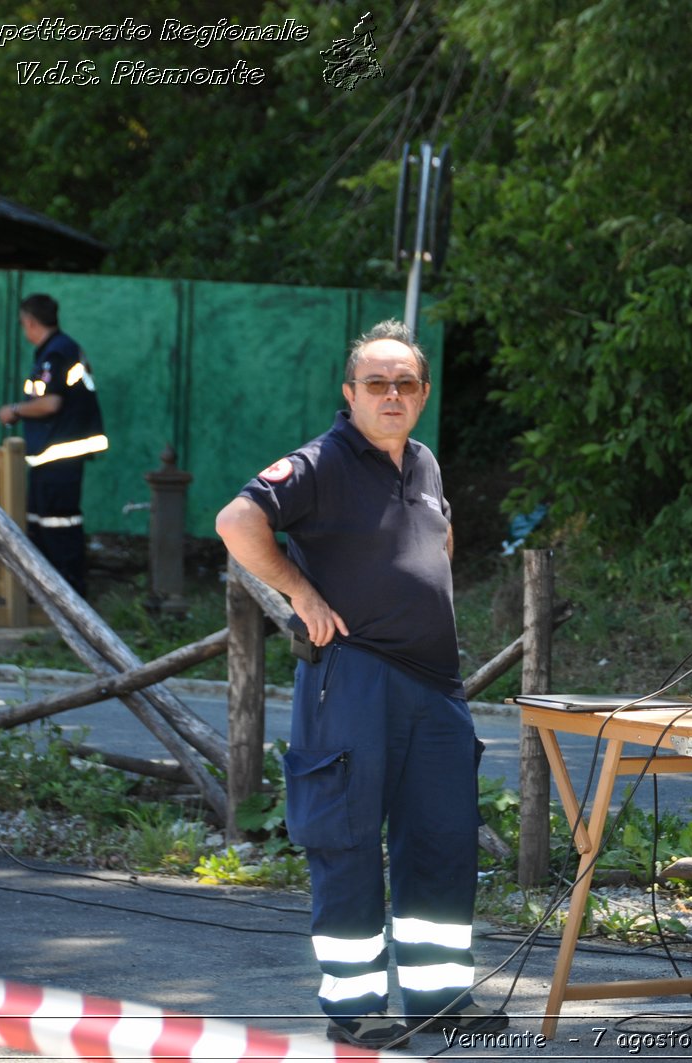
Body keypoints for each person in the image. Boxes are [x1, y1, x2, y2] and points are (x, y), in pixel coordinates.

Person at [214, 320, 506, 1049]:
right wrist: (300, 596)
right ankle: (355, 1006)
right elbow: (237, 519)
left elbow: (437, 538)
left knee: (442, 843)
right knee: (345, 844)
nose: (392, 394)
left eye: (405, 382)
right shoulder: (322, 462)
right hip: (354, 678)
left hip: (435, 686)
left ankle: (438, 998)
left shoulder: (426, 463)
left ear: (423, 393)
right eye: (376, 382)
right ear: (350, 394)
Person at [0, 294, 107, 597]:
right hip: (49, 457)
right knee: (41, 522)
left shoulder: (57, 353)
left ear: (30, 322)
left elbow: (51, 402)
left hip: (61, 456)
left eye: (23, 324)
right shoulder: (57, 350)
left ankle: (70, 594)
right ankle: (49, 594)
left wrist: (15, 410)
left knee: (58, 524)